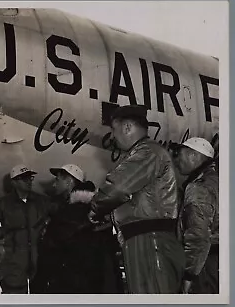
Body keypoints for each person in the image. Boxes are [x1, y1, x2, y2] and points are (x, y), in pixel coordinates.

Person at [90, 105, 185, 294]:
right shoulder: (148, 153)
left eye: (114, 131)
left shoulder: (147, 152)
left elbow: (117, 189)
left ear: (127, 127)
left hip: (150, 242)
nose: (114, 137)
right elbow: (139, 200)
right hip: (147, 240)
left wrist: (95, 208)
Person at [35, 175, 123, 294]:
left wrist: (38, 287)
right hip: (97, 286)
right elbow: (110, 259)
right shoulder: (102, 221)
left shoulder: (59, 218)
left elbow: (47, 255)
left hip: (65, 285)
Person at [0, 164, 53, 294]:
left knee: (41, 296)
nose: (28, 181)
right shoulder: (3, 204)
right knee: (14, 296)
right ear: (14, 182)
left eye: (30, 178)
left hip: (39, 259)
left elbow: (58, 215)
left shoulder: (42, 202)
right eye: (24, 178)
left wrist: (48, 229)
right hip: (14, 261)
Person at [175, 137, 219, 294]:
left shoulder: (199, 187)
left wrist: (189, 275)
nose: (176, 160)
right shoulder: (218, 180)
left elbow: (198, 235)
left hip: (204, 265)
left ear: (193, 156)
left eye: (179, 154)